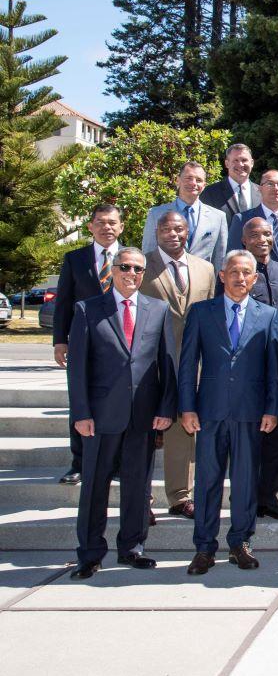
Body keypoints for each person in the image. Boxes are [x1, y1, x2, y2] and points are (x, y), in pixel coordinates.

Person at [66, 247, 176, 579]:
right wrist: (81, 413)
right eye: (125, 267)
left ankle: (132, 547)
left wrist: (166, 408)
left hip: (143, 415)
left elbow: (166, 363)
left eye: (138, 269)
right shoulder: (87, 310)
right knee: (95, 486)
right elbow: (78, 369)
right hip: (100, 416)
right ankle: (90, 553)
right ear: (112, 270)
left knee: (137, 486)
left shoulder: (158, 309)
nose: (131, 273)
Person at [180, 251, 278, 575]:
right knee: (207, 480)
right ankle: (204, 547)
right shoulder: (201, 312)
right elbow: (187, 365)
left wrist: (271, 408)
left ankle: (240, 542)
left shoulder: (267, 315)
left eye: (247, 273)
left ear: (254, 279)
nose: (240, 278)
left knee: (245, 480)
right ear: (222, 275)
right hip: (210, 411)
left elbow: (274, 369)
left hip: (249, 412)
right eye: (234, 272)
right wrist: (186, 406)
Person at [140, 211, 217, 520]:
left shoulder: (206, 269)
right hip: (151, 363)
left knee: (182, 431)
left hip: (192, 363)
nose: (173, 233)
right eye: (166, 228)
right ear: (157, 232)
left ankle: (179, 496)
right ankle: (140, 498)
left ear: (188, 232)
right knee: (144, 433)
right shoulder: (142, 266)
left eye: (179, 228)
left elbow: (210, 316)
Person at [52, 203, 124, 485]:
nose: (107, 227)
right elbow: (64, 302)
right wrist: (60, 340)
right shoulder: (75, 259)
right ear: (91, 226)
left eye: (112, 222)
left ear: (121, 227)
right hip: (85, 342)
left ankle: (117, 463)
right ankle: (79, 463)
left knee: (120, 402)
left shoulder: (132, 258)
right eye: (101, 222)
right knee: (80, 400)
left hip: (122, 343)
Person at [238, 217, 278, 520]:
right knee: (251, 434)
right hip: (250, 363)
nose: (262, 239)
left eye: (266, 234)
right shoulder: (240, 273)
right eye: (254, 234)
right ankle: (247, 496)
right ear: (244, 239)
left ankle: (268, 495)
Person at [142, 161, 228, 272]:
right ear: (178, 180)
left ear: (204, 185)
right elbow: (148, 252)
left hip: (202, 283)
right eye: (188, 178)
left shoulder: (218, 217)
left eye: (199, 180)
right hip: (165, 281)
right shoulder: (156, 214)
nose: (193, 183)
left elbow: (219, 259)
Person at [229, 170, 278, 288]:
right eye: (270, 184)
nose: (276, 188)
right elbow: (232, 260)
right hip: (255, 292)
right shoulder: (242, 220)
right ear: (259, 189)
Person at [200, 143, 261, 224]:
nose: (240, 164)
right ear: (227, 163)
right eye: (235, 160)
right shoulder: (210, 192)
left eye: (244, 160)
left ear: (252, 163)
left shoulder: (262, 192)